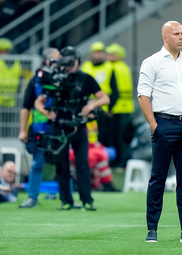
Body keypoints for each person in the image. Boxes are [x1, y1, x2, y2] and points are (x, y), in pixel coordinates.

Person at [138, 21, 182, 242]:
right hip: (164, 124)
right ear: (165, 37)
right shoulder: (152, 62)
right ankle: (152, 230)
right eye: (176, 33)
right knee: (158, 178)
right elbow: (143, 95)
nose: (181, 37)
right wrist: (154, 126)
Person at [35, 46, 110, 210]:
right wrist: (47, 113)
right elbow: (39, 101)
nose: (69, 66)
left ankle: (87, 200)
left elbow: (104, 98)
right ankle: (66, 200)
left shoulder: (86, 79)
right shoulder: (55, 78)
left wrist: (91, 106)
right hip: (59, 127)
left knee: (82, 164)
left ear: (78, 62)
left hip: (78, 126)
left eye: (72, 62)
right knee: (61, 165)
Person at [18, 47, 60, 208]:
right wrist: (23, 130)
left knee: (63, 163)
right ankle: (32, 197)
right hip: (40, 127)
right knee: (37, 163)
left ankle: (67, 198)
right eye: (55, 59)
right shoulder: (36, 80)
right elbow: (25, 107)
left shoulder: (63, 78)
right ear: (47, 60)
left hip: (59, 127)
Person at [81, 41, 119, 148]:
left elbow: (114, 90)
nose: (99, 55)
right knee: (88, 136)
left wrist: (110, 109)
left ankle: (102, 161)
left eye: (101, 52)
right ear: (91, 53)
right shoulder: (86, 67)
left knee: (103, 137)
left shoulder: (109, 67)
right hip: (87, 109)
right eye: (96, 52)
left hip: (103, 110)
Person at [106, 43, 134, 167]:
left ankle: (119, 162)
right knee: (124, 137)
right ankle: (124, 161)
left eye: (111, 54)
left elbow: (114, 90)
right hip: (126, 106)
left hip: (117, 107)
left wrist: (110, 107)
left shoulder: (113, 68)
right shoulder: (124, 67)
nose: (108, 56)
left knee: (117, 137)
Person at [0, 38, 22, 138]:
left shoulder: (17, 64)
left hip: (11, 102)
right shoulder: (17, 63)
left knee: (7, 129)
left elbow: (20, 82)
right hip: (6, 101)